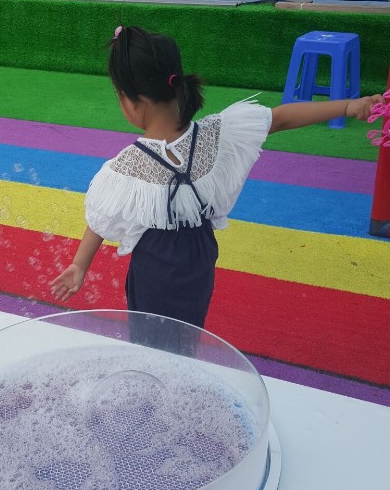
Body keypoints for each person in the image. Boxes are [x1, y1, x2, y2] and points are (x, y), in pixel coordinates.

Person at [51, 25, 380, 328]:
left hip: (159, 271)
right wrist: (347, 106)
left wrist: (80, 264)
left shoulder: (128, 166)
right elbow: (279, 118)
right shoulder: (214, 135)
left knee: (159, 341)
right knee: (180, 336)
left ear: (133, 102)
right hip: (198, 263)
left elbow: (102, 217)